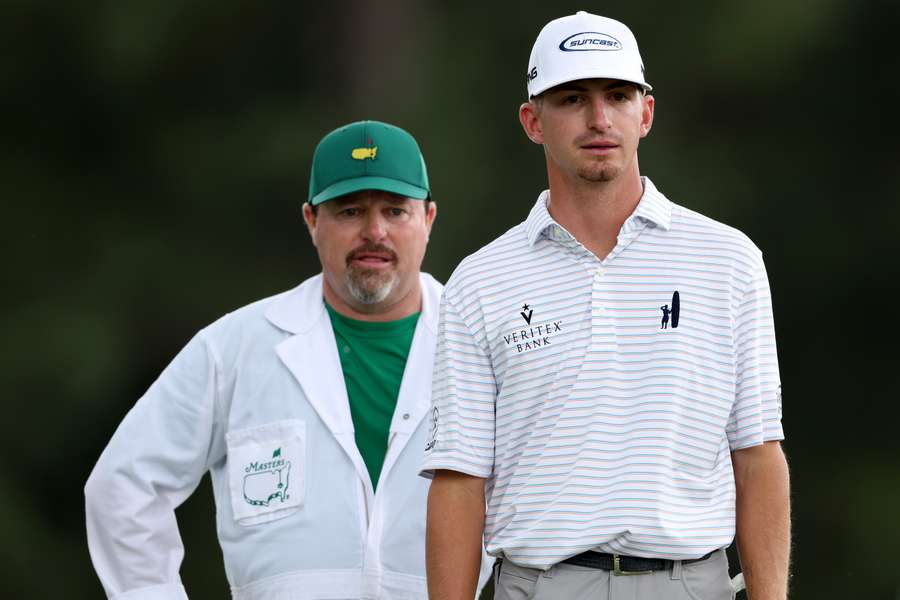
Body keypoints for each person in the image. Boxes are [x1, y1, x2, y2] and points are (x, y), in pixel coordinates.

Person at [422, 12, 790, 600]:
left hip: (691, 583)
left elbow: (758, 454)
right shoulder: (481, 280)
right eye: (572, 98)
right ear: (532, 121)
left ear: (645, 112)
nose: (599, 119)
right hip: (539, 584)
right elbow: (459, 481)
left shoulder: (729, 260)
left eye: (617, 96)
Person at [85, 120, 492, 599]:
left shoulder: (482, 344)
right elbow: (124, 484)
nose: (374, 231)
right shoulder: (236, 348)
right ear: (311, 221)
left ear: (428, 219)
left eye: (395, 211)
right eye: (350, 211)